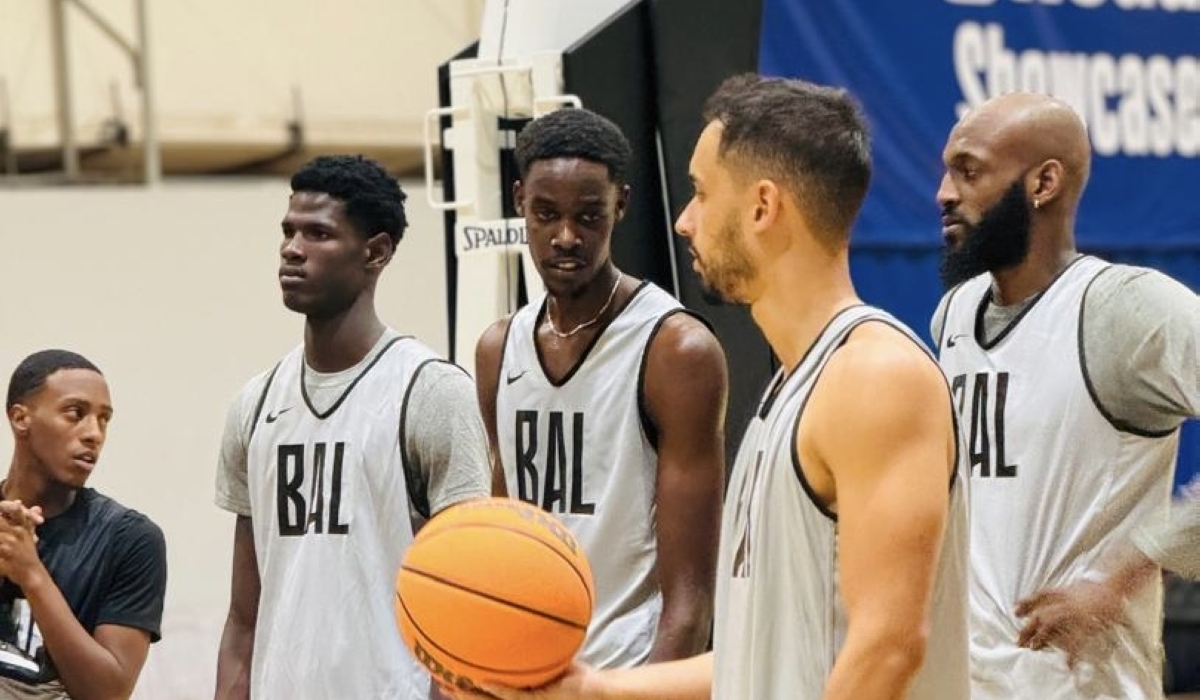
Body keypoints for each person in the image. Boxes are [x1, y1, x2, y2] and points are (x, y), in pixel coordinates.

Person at [465, 74, 970, 700]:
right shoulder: (791, 388)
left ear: (762, 207)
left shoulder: (875, 377)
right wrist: (596, 689)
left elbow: (888, 647)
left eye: (702, 193)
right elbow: (759, 654)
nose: (683, 221)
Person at [932, 92, 1200, 698]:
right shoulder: (954, 314)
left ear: (1043, 183)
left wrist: (1121, 579)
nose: (944, 194)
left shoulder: (1126, 309)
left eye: (969, 172)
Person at [213, 155, 492, 700]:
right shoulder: (255, 404)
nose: (292, 249)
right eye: (288, 231)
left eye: (318, 234)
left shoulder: (430, 392)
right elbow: (244, 617)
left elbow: (468, 600)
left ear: (376, 252)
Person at [474, 107, 728, 669]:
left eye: (589, 216)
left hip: (627, 669)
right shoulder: (497, 349)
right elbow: (506, 540)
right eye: (546, 214)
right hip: (528, 670)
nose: (566, 237)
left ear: (621, 204)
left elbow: (691, 602)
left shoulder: (675, 350)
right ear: (519, 202)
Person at [0, 349, 167, 699]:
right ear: (20, 418)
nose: (94, 433)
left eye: (104, 419)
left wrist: (31, 573)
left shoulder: (130, 539)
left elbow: (107, 693)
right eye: (75, 413)